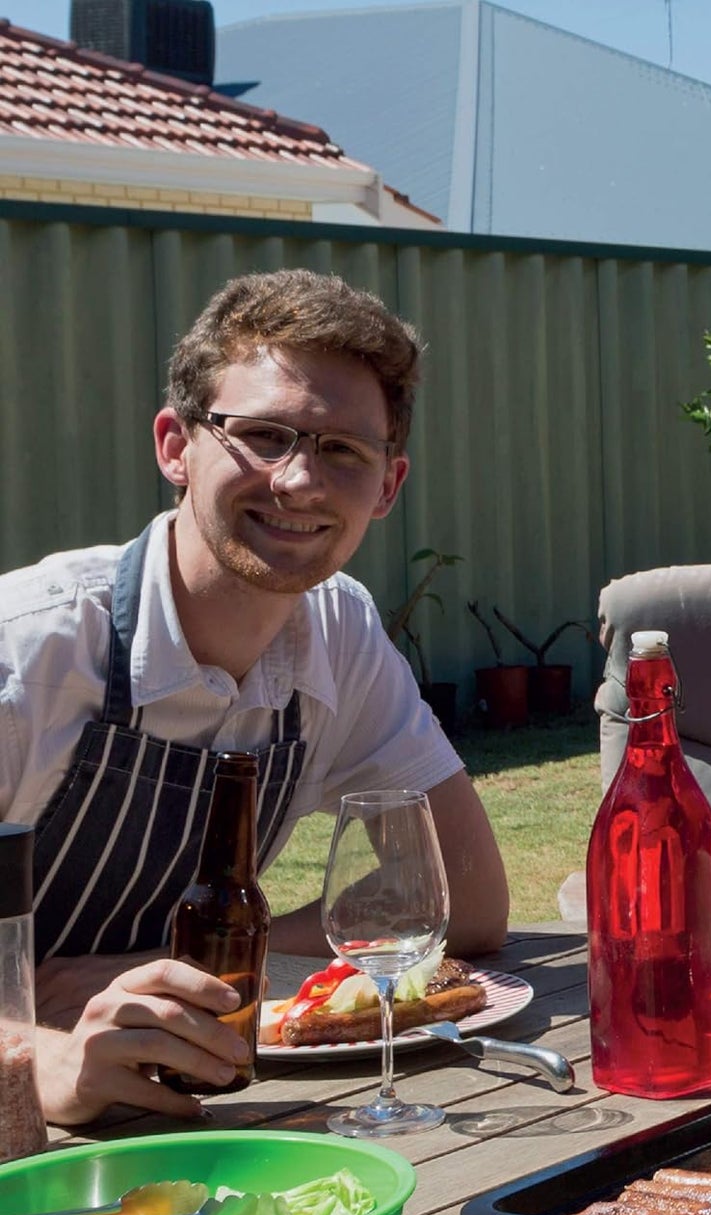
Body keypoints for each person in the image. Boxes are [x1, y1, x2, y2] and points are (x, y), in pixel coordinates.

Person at [0, 269, 509, 1125]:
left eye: (343, 450)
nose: (300, 481)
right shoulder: (27, 652)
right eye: (264, 435)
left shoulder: (338, 632)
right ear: (175, 446)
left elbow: (465, 897)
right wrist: (47, 1059)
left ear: (387, 486)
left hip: (190, 1113)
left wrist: (173, 968)